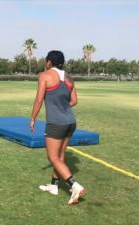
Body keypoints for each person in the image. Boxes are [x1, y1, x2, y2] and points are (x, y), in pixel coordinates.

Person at [30, 50, 86, 205]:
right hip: (70, 122)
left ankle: (74, 185)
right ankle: (54, 186)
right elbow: (74, 100)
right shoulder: (69, 78)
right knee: (60, 156)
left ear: (49, 62)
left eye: (46, 61)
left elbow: (38, 100)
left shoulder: (44, 75)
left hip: (56, 123)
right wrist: (62, 106)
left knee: (53, 158)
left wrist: (33, 118)